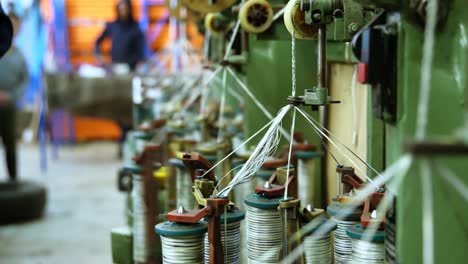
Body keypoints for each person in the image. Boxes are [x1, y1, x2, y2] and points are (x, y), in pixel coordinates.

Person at [0, 12, 28, 181]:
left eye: (16, 25)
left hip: (9, 106)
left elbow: (24, 81)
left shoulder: (19, 56)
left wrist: (11, 96)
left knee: (10, 144)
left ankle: (13, 180)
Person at [95, 0, 145, 70]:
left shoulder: (135, 27)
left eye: (125, 9)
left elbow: (140, 50)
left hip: (129, 68)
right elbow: (98, 41)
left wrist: (131, 63)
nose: (123, 12)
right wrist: (99, 55)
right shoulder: (112, 26)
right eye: (121, 9)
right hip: (114, 67)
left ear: (130, 10)